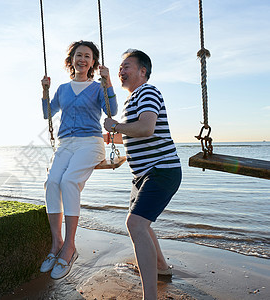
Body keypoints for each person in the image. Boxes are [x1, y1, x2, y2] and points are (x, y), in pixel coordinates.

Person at [104, 49, 182, 299]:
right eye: (120, 67)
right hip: (143, 175)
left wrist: (115, 125)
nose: (121, 71)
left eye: (126, 66)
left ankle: (150, 296)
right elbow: (130, 133)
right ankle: (161, 267)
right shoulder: (131, 100)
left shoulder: (147, 91)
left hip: (161, 170)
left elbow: (147, 127)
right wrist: (109, 135)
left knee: (135, 224)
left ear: (142, 71)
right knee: (142, 225)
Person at [40, 40, 118, 280]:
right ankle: (57, 244)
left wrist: (108, 83)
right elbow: (47, 114)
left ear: (93, 62)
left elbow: (111, 111)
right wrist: (44, 91)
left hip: (90, 143)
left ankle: (70, 247)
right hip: (65, 144)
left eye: (87, 56)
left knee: (69, 181)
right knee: (52, 182)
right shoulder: (63, 89)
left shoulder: (96, 88)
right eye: (78, 55)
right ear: (71, 59)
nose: (82, 59)